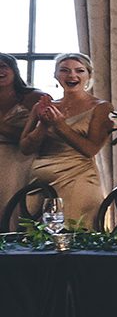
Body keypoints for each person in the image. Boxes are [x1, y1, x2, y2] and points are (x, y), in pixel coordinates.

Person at [18, 52, 111, 227]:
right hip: (39, 181)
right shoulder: (43, 106)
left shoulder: (101, 107)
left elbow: (90, 150)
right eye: (64, 70)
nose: (72, 75)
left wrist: (60, 125)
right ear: (56, 75)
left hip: (77, 179)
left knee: (77, 236)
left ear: (89, 75)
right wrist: (43, 126)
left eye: (79, 71)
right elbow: (25, 148)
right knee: (37, 242)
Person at [0, 54, 48, 217]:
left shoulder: (34, 97)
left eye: (3, 66)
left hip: (21, 160)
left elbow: (42, 134)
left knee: (15, 208)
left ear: (14, 69)